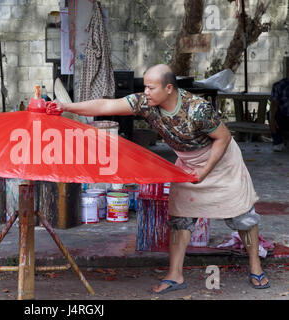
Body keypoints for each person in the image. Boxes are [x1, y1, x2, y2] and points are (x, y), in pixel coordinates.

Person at [49, 64, 269, 293]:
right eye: (145, 87)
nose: (146, 92)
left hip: (222, 162)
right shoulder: (146, 103)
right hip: (188, 163)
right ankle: (175, 274)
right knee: (180, 217)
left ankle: (255, 266)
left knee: (242, 216)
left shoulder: (197, 109)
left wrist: (204, 172)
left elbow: (222, 138)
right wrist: (66, 106)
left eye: (151, 88)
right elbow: (107, 104)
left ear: (169, 88)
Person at [269, 68, 289, 152]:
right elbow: (274, 104)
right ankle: (278, 142)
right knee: (271, 114)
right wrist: (272, 120)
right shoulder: (279, 85)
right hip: (284, 118)